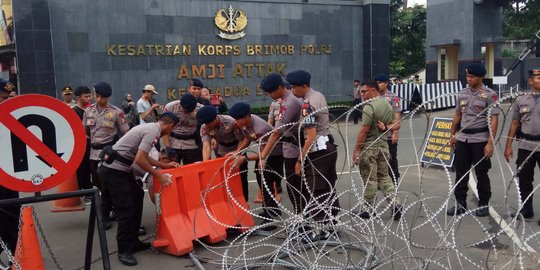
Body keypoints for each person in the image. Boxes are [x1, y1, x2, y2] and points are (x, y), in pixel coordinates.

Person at [97, 112, 180, 266]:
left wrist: (163, 165)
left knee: (137, 196)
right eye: (172, 129)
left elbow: (143, 155)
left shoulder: (150, 128)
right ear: (170, 126)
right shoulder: (153, 131)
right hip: (113, 171)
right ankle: (123, 250)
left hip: (121, 170)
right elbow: (139, 159)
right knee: (126, 210)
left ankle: (133, 240)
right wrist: (159, 175)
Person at [287, 70, 341, 241]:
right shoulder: (318, 96)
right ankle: (333, 223)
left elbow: (310, 136)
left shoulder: (307, 105)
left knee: (316, 189)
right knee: (328, 187)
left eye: (294, 87)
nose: (292, 90)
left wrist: (299, 160)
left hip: (318, 151)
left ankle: (320, 228)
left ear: (304, 86)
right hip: (329, 146)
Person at [448, 63, 499, 217]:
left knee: (481, 172)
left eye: (472, 76)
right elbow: (457, 115)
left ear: (481, 77)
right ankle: (460, 203)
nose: (469, 79)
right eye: (467, 76)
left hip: (480, 138)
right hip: (463, 138)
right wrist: (452, 134)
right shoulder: (463, 93)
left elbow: (494, 120)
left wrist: (490, 143)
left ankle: (483, 203)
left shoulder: (490, 95)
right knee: (461, 172)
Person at [352, 80, 402, 220]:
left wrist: (356, 150)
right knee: (384, 177)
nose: (362, 94)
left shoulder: (370, 107)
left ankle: (368, 209)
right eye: (361, 92)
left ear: (373, 90)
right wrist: (386, 127)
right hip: (383, 147)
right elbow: (396, 125)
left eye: (364, 91)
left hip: (370, 148)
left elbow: (363, 131)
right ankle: (395, 203)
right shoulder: (385, 103)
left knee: (370, 179)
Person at [229, 102, 283, 230]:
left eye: (238, 119)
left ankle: (270, 218)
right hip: (263, 154)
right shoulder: (246, 123)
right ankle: (272, 209)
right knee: (261, 180)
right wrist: (238, 151)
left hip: (274, 154)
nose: (235, 122)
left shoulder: (260, 128)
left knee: (266, 183)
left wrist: (245, 158)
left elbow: (264, 153)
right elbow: (248, 138)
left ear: (247, 117)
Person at [83, 82, 130, 229]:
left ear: (107, 97)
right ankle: (111, 210)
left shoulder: (116, 112)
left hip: (108, 153)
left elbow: (126, 134)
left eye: (101, 97)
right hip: (92, 153)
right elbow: (83, 130)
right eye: (96, 96)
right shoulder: (88, 111)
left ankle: (104, 216)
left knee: (106, 186)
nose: (98, 100)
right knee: (97, 184)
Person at [259, 74, 303, 220]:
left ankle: (302, 220)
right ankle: (302, 218)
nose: (270, 95)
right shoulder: (286, 100)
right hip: (289, 146)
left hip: (294, 148)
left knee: (295, 187)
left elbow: (276, 132)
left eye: (271, 92)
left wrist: (263, 155)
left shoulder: (290, 103)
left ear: (280, 87)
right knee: (293, 186)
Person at [504, 67, 540, 220]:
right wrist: (508, 146)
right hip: (525, 145)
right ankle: (527, 209)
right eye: (538, 77)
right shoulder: (521, 100)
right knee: (524, 179)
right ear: (531, 80)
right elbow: (514, 123)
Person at [197, 106, 249, 200]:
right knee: (224, 179)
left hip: (237, 148)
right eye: (205, 123)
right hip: (221, 152)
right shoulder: (205, 127)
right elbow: (206, 146)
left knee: (241, 178)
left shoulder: (231, 122)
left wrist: (237, 153)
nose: (207, 125)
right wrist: (205, 163)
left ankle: (244, 201)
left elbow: (242, 139)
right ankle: (228, 202)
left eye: (208, 122)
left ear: (215, 118)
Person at [0, 79, 19, 258]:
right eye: (3, 97)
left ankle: (15, 251)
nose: (7, 102)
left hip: (11, 174)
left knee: (12, 213)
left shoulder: (13, 116)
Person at [374, 74, 402, 185]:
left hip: (388, 133)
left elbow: (397, 118)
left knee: (391, 158)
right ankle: (381, 181)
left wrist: (395, 133)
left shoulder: (393, 97)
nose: (377, 85)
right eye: (376, 83)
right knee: (378, 158)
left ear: (386, 83)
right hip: (376, 134)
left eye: (380, 83)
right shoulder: (374, 96)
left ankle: (394, 180)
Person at [163, 94, 203, 165]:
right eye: (186, 110)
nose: (187, 112)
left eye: (190, 111)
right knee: (172, 169)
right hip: (173, 142)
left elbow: (206, 125)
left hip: (191, 144)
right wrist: (168, 147)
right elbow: (164, 128)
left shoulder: (200, 109)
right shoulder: (170, 107)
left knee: (191, 170)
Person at [73, 86, 94, 194]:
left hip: (92, 143)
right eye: (86, 97)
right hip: (82, 145)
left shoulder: (91, 110)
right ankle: (86, 192)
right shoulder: (74, 111)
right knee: (83, 169)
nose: (89, 99)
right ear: (78, 97)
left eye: (90, 96)